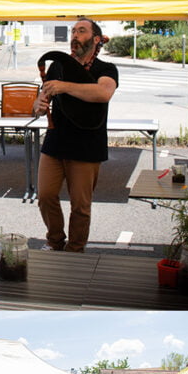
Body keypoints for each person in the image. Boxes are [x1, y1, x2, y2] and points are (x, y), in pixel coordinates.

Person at [32, 17, 118, 252]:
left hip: (87, 145)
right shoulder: (57, 66)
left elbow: (103, 92)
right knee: (46, 196)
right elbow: (42, 98)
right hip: (55, 142)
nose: (74, 36)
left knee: (80, 206)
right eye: (73, 31)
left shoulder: (106, 69)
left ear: (96, 39)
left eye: (81, 31)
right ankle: (55, 241)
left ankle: (76, 248)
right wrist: (38, 105)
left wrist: (64, 86)